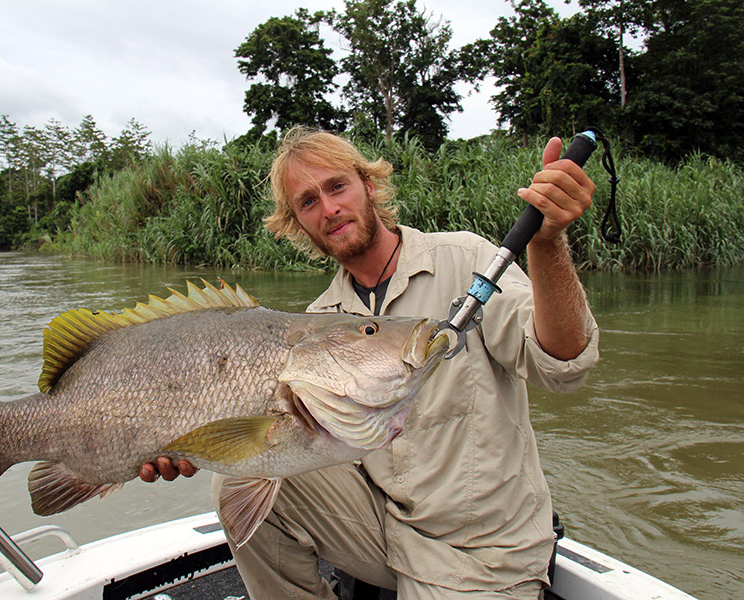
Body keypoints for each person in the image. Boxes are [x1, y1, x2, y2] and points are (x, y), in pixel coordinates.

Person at [141, 127, 600, 599]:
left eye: (337, 186)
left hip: (485, 553)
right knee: (239, 480)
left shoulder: (468, 261)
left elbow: (562, 366)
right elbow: (286, 443)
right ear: (298, 224)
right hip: (390, 535)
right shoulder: (317, 323)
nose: (329, 208)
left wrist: (546, 244)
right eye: (308, 202)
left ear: (369, 186)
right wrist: (189, 442)